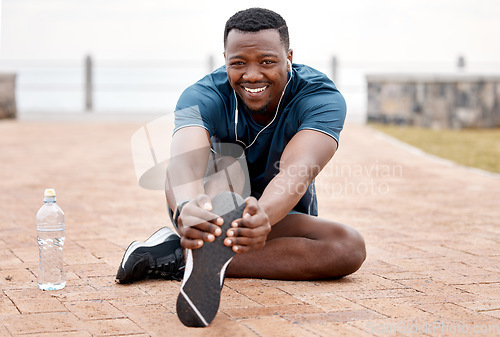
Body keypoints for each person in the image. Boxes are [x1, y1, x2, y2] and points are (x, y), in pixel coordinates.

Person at [116, 7, 366, 327]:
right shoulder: (202, 95)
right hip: (210, 211)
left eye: (267, 61)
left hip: (275, 211)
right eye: (238, 63)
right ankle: (201, 244)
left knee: (348, 248)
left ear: (288, 56)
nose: (251, 75)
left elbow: (297, 169)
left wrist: (263, 215)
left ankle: (179, 257)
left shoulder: (320, 97)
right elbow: (185, 164)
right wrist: (187, 208)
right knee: (220, 159)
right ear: (225, 60)